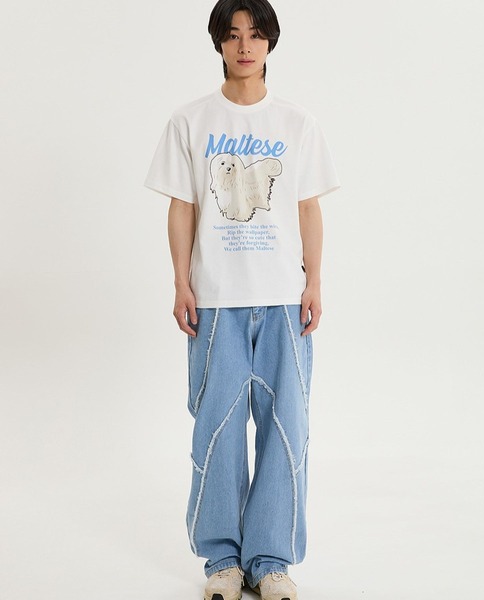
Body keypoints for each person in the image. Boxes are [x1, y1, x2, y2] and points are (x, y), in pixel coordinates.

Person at [144, 1, 340, 598]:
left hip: (282, 299)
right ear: (219, 44)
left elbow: (308, 206)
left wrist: (314, 281)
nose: (244, 46)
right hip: (216, 300)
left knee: (286, 429)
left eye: (255, 35)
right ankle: (222, 561)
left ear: (270, 42)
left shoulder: (297, 123)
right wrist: (181, 281)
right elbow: (183, 206)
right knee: (218, 428)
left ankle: (271, 559)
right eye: (233, 36)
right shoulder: (190, 120)